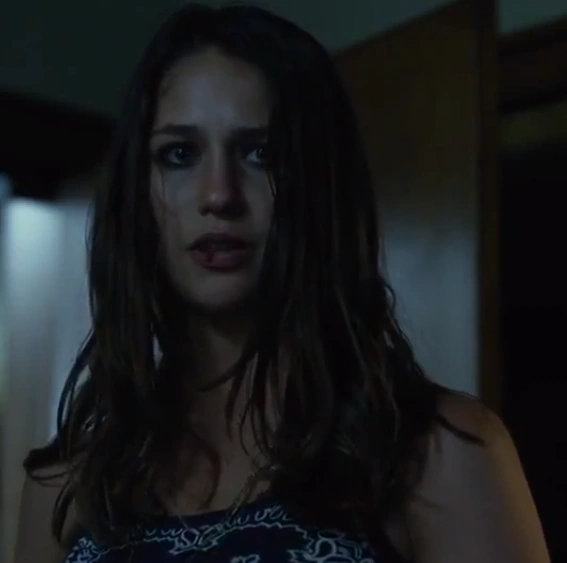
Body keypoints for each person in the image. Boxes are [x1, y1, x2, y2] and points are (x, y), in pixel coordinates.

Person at [14, 4, 549, 563]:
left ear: (319, 182)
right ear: (137, 194)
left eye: (261, 153)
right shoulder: (67, 484)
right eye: (179, 154)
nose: (218, 194)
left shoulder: (437, 455)